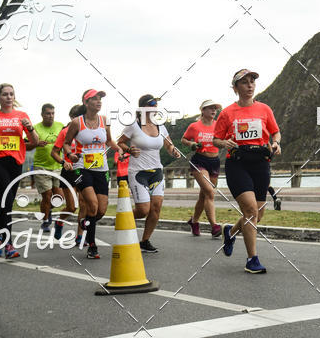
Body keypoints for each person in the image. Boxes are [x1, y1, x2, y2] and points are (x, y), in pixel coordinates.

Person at [213, 69, 281, 274]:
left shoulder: (264, 109)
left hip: (260, 163)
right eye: (244, 82)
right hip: (238, 163)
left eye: (252, 82)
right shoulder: (227, 113)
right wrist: (224, 142)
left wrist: (276, 143)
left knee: (257, 215)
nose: (250, 85)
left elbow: (275, 131)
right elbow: (216, 139)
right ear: (235, 88)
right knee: (250, 211)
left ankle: (231, 232)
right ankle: (252, 259)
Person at [0, 84, 38, 257]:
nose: (9, 97)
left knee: (7, 202)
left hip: (15, 161)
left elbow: (34, 141)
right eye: (5, 94)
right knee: (7, 198)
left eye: (11, 94)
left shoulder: (22, 116)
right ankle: (8, 245)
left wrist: (31, 128)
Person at [117, 93, 181, 253]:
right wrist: (129, 149)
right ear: (142, 108)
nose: (154, 107)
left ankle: (145, 241)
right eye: (151, 104)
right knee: (143, 210)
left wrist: (174, 151)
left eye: (155, 104)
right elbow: (120, 143)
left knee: (156, 207)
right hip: (138, 172)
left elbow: (169, 145)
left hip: (156, 171)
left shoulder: (161, 126)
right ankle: (123, 217)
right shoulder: (133, 126)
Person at [63, 90, 122, 260]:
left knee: (101, 210)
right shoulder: (76, 122)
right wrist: (70, 155)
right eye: (94, 99)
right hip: (82, 168)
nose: (99, 101)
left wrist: (120, 150)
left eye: (100, 99)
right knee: (93, 205)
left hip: (101, 169)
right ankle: (92, 245)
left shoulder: (104, 120)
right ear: (85, 102)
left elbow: (110, 141)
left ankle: (86, 223)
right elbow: (67, 143)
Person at [182, 100, 222, 237]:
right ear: (203, 110)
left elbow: (224, 139)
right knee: (210, 192)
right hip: (199, 161)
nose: (213, 110)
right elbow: (184, 139)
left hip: (215, 161)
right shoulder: (194, 126)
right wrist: (192, 143)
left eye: (215, 108)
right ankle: (215, 226)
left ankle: (194, 221)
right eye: (210, 108)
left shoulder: (219, 125)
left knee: (204, 195)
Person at [50, 105, 86, 242]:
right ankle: (59, 221)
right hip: (69, 172)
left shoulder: (87, 131)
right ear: (71, 117)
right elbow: (53, 152)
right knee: (72, 207)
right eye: (77, 117)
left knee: (84, 204)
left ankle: (80, 235)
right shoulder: (65, 131)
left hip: (84, 171)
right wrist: (63, 162)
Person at [30, 103, 64, 232]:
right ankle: (45, 221)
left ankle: (47, 210)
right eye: (48, 113)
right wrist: (36, 143)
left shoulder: (60, 126)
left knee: (59, 198)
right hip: (41, 167)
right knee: (47, 195)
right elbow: (26, 144)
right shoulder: (35, 128)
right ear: (42, 115)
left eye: (52, 113)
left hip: (57, 166)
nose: (51, 116)